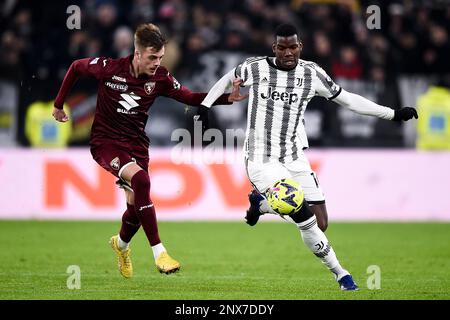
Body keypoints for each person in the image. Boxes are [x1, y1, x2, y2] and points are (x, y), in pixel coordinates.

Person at [198, 23, 418, 290]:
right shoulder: (255, 67)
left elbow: (348, 100)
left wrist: (392, 114)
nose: (288, 53)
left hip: (293, 155)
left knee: (320, 222)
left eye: (293, 47)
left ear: (300, 46)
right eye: (282, 47)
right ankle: (342, 274)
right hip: (261, 157)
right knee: (301, 214)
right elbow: (227, 78)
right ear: (274, 48)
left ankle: (263, 204)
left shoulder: (312, 74)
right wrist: (205, 105)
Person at [53, 23, 242, 278]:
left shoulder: (160, 78)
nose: (157, 62)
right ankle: (159, 252)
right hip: (106, 143)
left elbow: (189, 96)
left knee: (134, 206)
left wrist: (226, 97)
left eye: (160, 57)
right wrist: (58, 105)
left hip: (137, 145)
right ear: (137, 53)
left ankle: (120, 245)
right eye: (152, 57)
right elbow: (76, 67)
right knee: (142, 180)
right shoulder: (110, 68)